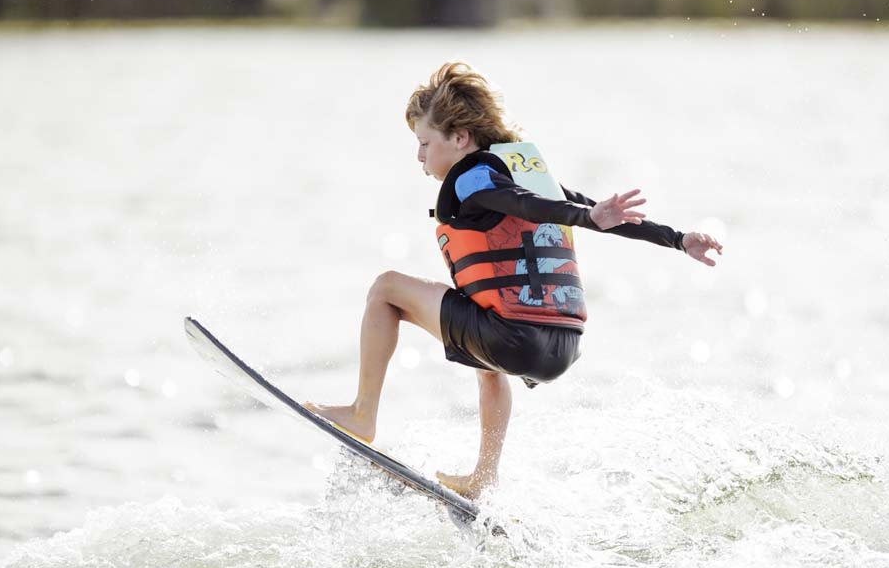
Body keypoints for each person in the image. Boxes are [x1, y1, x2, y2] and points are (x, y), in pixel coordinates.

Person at [305, 62, 722, 501]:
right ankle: (484, 478)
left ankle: (362, 412)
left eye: (425, 143)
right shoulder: (524, 170)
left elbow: (518, 204)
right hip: (561, 348)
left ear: (460, 138)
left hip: (514, 337)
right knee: (486, 364)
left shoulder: (472, 179)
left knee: (385, 289)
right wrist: (676, 239)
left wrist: (586, 217)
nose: (420, 157)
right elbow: (597, 212)